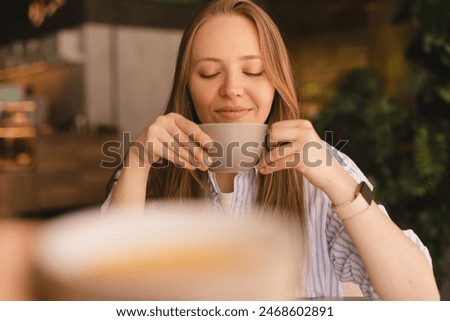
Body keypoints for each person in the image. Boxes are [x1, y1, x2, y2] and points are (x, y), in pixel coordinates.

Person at [103, 0, 440, 300]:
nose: (233, 89)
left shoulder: (322, 170)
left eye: (254, 71)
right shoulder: (149, 168)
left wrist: (340, 185)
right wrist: (136, 162)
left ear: (277, 79)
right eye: (209, 73)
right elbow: (106, 296)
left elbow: (420, 299)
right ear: (187, 85)